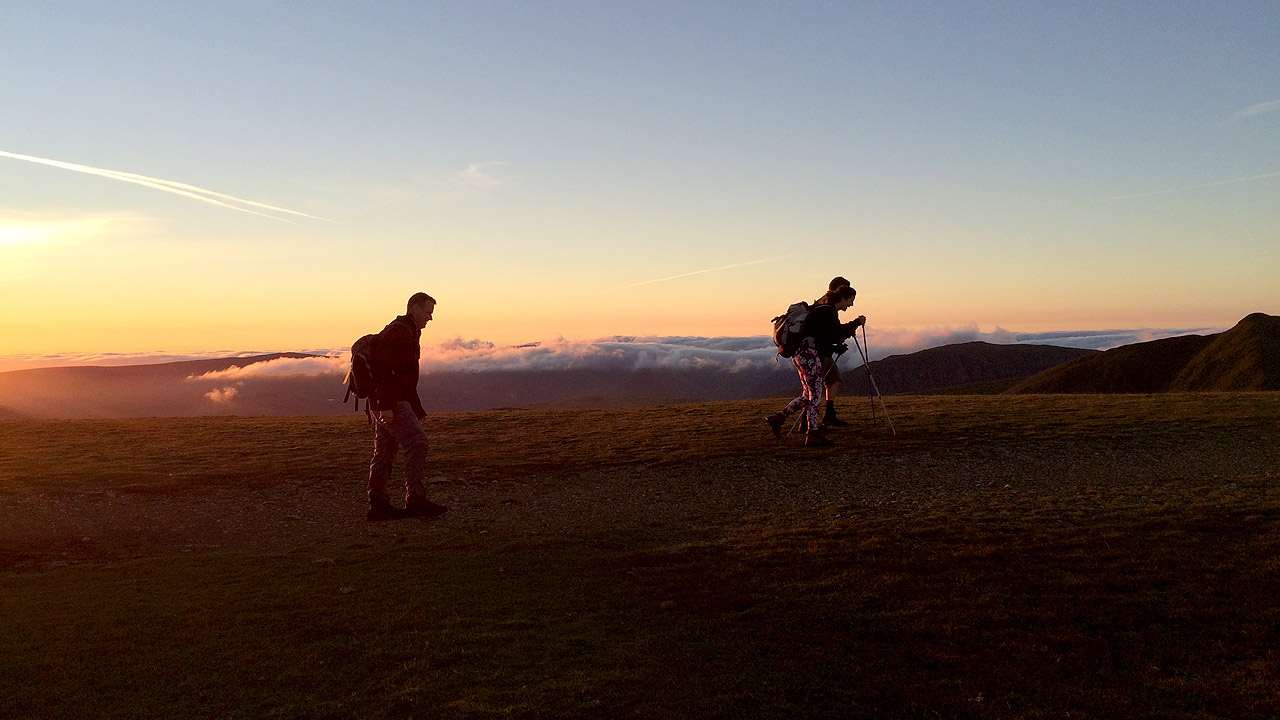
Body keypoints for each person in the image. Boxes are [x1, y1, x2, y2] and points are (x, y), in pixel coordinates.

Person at [365, 292, 449, 521]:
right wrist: (386, 405)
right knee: (418, 443)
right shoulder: (401, 332)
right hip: (390, 402)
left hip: (387, 401)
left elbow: (403, 374)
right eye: (427, 312)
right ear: (413, 308)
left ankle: (378, 504)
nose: (430, 318)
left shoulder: (405, 330)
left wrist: (415, 405)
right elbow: (385, 370)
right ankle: (415, 500)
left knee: (385, 450)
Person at [765, 285, 863, 447]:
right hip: (808, 355)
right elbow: (833, 334)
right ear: (843, 298)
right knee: (815, 395)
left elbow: (821, 336)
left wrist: (832, 347)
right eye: (850, 301)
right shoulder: (827, 312)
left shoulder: (821, 310)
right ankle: (812, 434)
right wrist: (855, 324)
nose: (851, 305)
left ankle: (780, 419)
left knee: (808, 395)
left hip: (801, 354)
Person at [814, 277, 863, 427]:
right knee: (813, 390)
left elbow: (831, 332)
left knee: (831, 380)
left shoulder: (822, 305)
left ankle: (823, 416)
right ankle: (810, 422)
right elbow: (834, 333)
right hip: (818, 353)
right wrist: (855, 324)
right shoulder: (828, 308)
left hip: (818, 352)